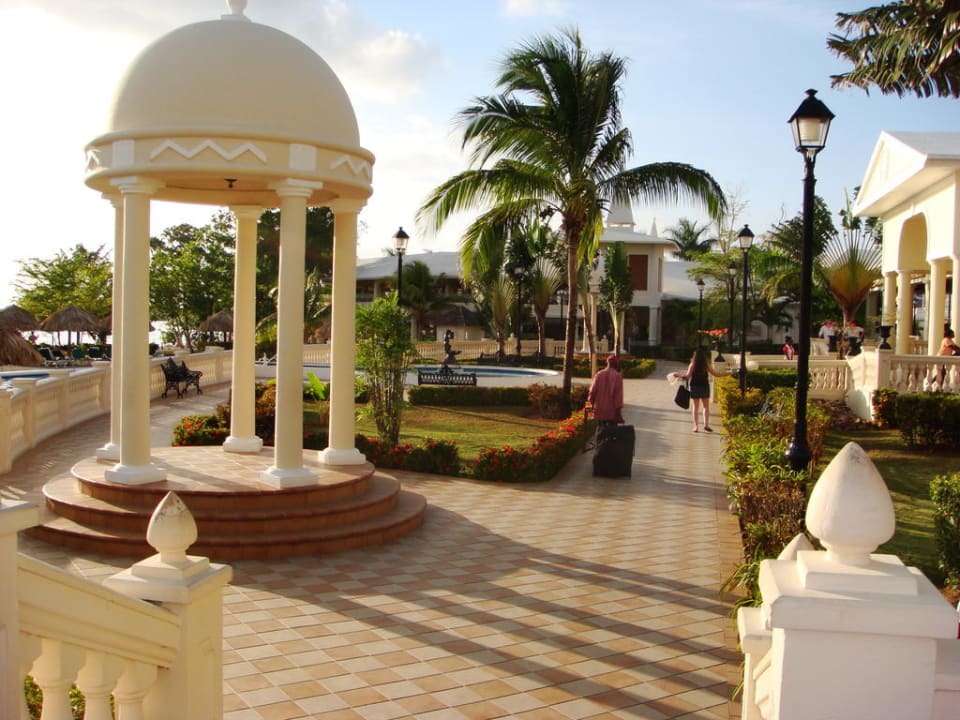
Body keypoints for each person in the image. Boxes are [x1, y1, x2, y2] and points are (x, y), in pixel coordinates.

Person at [678, 347, 723, 433]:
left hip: (695, 387)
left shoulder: (692, 365)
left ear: (695, 356)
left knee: (695, 407)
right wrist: (727, 374)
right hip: (704, 386)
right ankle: (706, 425)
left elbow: (687, 377)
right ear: (703, 356)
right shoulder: (706, 365)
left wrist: (678, 375)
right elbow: (715, 374)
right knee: (705, 407)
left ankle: (696, 427)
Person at [587, 354, 624, 426]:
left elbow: (592, 391)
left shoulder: (599, 374)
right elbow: (618, 396)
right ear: (616, 364)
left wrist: (590, 405)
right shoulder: (617, 376)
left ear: (607, 363)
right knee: (612, 431)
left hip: (599, 410)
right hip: (612, 412)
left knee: (600, 429)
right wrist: (618, 412)